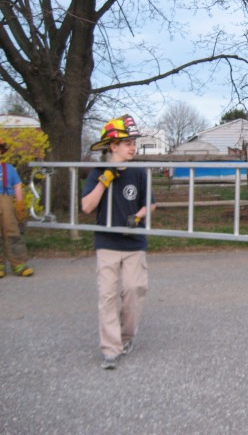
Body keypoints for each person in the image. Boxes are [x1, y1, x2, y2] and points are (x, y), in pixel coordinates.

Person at [81, 115, 156, 370]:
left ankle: (126, 337)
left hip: (134, 243)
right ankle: (110, 349)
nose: (133, 147)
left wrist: (139, 216)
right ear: (113, 146)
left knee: (135, 290)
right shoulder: (98, 172)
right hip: (106, 243)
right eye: (127, 143)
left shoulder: (139, 172)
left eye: (133, 142)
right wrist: (105, 181)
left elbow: (150, 203)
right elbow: (87, 207)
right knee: (107, 295)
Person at [0, 139, 34, 278]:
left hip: (6, 201)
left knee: (12, 232)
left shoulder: (8, 169)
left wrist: (20, 204)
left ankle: (19, 264)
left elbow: (17, 186)